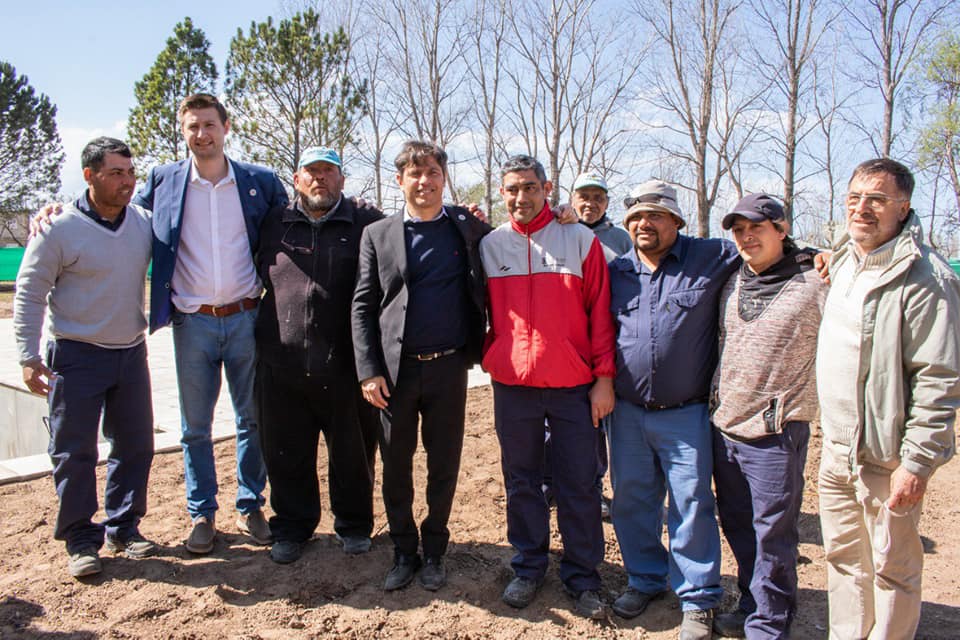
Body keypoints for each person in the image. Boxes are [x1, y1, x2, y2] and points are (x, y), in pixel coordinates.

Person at [133, 93, 288, 554]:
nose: (201, 134)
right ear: (183, 132)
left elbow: (296, 222)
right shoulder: (163, 182)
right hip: (192, 322)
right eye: (192, 127)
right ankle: (202, 514)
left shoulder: (259, 181)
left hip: (247, 317)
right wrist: (60, 213)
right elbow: (122, 217)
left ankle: (250, 503)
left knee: (252, 420)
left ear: (225, 127)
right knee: (194, 427)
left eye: (209, 125)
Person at [816, 158, 960, 639]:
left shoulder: (925, 279)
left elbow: (939, 377)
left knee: (891, 568)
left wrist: (916, 462)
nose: (863, 209)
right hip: (836, 450)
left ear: (904, 208)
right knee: (842, 560)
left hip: (886, 456)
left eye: (877, 199)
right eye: (855, 198)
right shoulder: (844, 259)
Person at [481, 155, 615, 619]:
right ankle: (529, 566)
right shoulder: (489, 244)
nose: (522, 197)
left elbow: (600, 313)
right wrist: (493, 351)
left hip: (573, 385)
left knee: (579, 482)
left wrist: (603, 379)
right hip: (513, 384)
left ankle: (582, 576)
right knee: (522, 481)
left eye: (531, 187)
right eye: (513, 188)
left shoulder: (578, 239)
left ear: (548, 188)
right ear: (502, 193)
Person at [14, 137, 155, 578]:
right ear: (89, 175)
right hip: (75, 355)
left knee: (136, 446)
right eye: (116, 173)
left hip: (131, 353)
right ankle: (80, 538)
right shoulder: (59, 228)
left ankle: (125, 527)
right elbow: (30, 291)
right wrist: (28, 354)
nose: (127, 182)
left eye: (131, 173)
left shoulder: (144, 223)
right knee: (74, 451)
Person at [352, 140, 488, 592]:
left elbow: (517, 236)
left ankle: (434, 551)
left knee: (444, 464)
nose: (424, 181)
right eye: (414, 173)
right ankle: (403, 550)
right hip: (395, 374)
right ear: (400, 180)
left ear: (443, 177)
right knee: (395, 465)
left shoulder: (466, 228)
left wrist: (564, 215)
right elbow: (363, 304)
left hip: (450, 369)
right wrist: (369, 369)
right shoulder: (378, 234)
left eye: (431, 172)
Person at [607, 179, 738, 639]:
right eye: (637, 217)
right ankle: (645, 578)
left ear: (677, 221)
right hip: (625, 412)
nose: (645, 224)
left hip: (686, 413)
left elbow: (763, 247)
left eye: (656, 215)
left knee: (692, 503)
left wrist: (808, 254)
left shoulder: (711, 257)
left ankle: (698, 599)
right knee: (631, 500)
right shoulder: (615, 271)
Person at [255, 147, 382, 564]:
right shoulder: (273, 223)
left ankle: (354, 525)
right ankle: (291, 527)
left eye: (329, 172)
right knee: (286, 453)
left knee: (353, 454)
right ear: (297, 180)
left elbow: (418, 226)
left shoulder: (366, 222)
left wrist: (467, 216)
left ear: (342, 180)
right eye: (311, 172)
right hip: (281, 365)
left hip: (345, 367)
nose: (320, 179)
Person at [710, 194, 827, 639]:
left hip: (777, 431)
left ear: (782, 228)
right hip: (726, 426)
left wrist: (829, 255)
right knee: (739, 525)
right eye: (738, 229)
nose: (746, 236)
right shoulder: (732, 278)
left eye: (757, 227)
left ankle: (770, 623)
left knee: (774, 535)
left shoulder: (817, 278)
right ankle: (751, 601)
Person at [571, 172, 632, 261]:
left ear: (607, 203)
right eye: (584, 197)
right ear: (573, 200)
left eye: (598, 198)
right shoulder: (560, 234)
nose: (590, 204)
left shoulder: (622, 239)